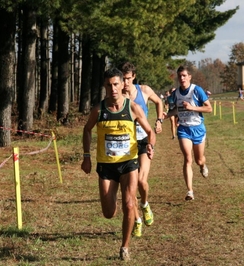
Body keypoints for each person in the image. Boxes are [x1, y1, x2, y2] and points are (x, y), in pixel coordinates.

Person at [81, 67, 156, 261]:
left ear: (123, 84)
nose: (113, 88)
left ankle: (125, 247)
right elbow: (87, 130)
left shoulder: (132, 108)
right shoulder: (99, 110)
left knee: (130, 203)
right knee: (108, 212)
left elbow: (150, 131)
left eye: (116, 84)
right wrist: (87, 156)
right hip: (106, 165)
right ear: (104, 87)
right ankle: (122, 218)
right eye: (109, 85)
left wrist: (150, 146)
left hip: (128, 163)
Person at [118, 62, 164, 238]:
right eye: (122, 79)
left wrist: (159, 121)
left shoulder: (144, 90)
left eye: (128, 78)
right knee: (130, 187)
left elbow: (159, 102)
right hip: (127, 144)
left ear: (133, 77)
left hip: (144, 140)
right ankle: (137, 220)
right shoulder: (118, 96)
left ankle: (145, 205)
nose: (125, 82)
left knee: (142, 182)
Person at [164, 65, 212, 201]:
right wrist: (166, 115)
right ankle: (190, 191)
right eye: (180, 76)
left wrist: (192, 107)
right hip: (184, 129)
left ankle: (203, 166)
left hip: (197, 128)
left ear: (189, 77)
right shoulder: (176, 94)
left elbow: (209, 109)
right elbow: (175, 110)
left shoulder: (197, 90)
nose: (182, 78)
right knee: (187, 159)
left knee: (198, 160)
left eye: (184, 76)